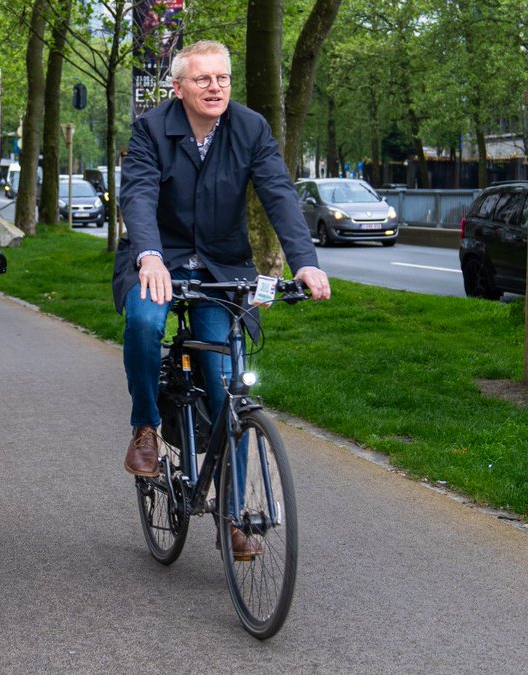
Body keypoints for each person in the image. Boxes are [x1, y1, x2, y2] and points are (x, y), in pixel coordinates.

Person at [115, 40, 331, 556]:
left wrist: (305, 261)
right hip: (157, 257)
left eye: (223, 79)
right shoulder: (151, 129)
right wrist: (148, 256)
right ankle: (145, 426)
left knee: (223, 382)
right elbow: (139, 193)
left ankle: (235, 513)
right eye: (203, 79)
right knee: (145, 324)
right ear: (178, 87)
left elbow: (278, 192)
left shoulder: (251, 127)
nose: (215, 88)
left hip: (221, 265)